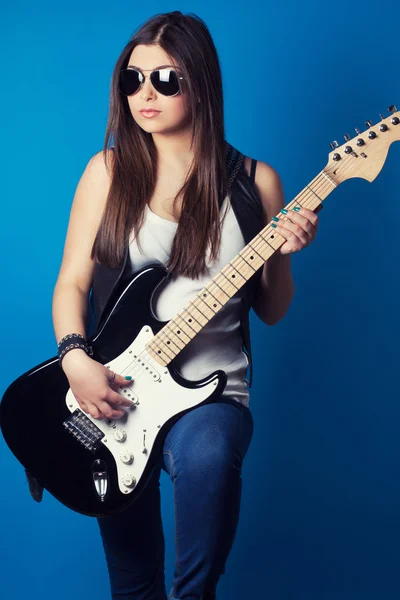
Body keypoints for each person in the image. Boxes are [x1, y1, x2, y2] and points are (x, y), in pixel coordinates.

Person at [52, 10, 319, 600]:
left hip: (212, 392)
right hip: (116, 388)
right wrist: (76, 360)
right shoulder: (107, 172)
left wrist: (283, 253)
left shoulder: (256, 183)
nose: (145, 94)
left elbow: (271, 312)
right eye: (133, 78)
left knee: (209, 456)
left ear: (200, 81)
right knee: (132, 580)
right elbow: (71, 282)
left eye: (166, 80)